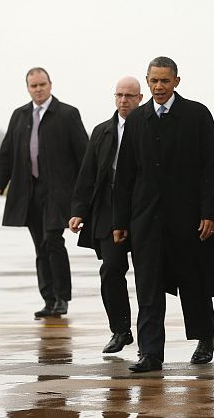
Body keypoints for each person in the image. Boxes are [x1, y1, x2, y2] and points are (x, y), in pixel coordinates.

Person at [112, 56, 214, 373]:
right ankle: (150, 353)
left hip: (188, 217)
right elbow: (125, 175)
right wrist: (120, 221)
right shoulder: (137, 120)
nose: (159, 87)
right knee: (148, 286)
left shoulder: (196, 115)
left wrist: (210, 213)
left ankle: (205, 336)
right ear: (146, 82)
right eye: (153, 81)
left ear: (177, 81)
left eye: (165, 81)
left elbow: (210, 168)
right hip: (147, 219)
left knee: (194, 282)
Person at [0, 67, 88, 318]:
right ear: (28, 88)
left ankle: (62, 298)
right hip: (28, 191)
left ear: (50, 84)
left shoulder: (67, 114)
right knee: (40, 246)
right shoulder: (20, 115)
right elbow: (7, 153)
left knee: (53, 240)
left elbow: (84, 156)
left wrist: (85, 193)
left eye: (42, 84)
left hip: (58, 192)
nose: (38, 89)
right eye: (33, 86)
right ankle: (48, 299)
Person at [68, 76, 143, 353]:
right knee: (111, 270)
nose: (123, 100)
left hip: (142, 210)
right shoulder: (102, 131)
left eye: (129, 96)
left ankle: (149, 339)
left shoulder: (149, 127)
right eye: (119, 95)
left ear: (140, 98)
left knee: (147, 277)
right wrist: (78, 210)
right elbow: (87, 175)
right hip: (108, 212)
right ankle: (120, 330)